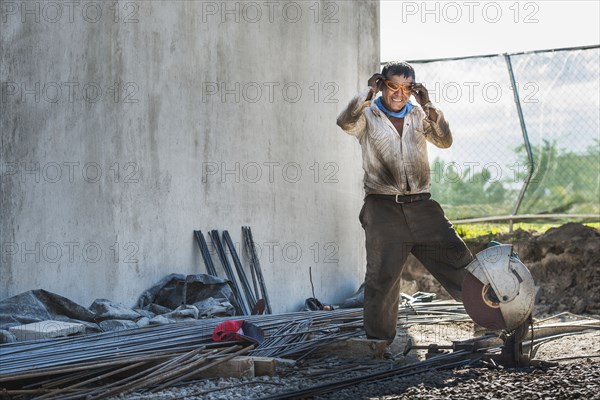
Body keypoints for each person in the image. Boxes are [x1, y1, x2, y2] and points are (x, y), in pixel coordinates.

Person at [336, 61, 473, 346]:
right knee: (381, 277)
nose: (399, 94)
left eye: (406, 88)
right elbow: (345, 122)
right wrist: (366, 93)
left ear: (413, 90)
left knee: (458, 259)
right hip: (382, 206)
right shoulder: (368, 116)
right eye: (392, 86)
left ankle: (494, 319)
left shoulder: (419, 115)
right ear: (381, 85)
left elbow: (445, 141)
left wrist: (430, 105)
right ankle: (379, 343)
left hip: (422, 206)